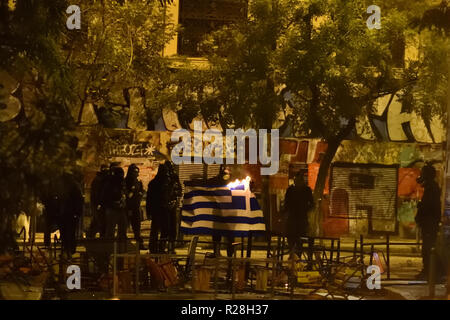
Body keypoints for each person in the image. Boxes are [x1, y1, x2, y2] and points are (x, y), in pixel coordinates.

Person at [415, 164, 442, 280]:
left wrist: (420, 207)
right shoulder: (431, 188)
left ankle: (428, 272)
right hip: (429, 223)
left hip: (429, 224)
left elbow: (429, 206)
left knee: (428, 249)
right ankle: (428, 271)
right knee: (427, 248)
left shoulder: (431, 188)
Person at [283, 172, 314, 253]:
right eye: (296, 180)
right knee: (292, 238)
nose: (297, 182)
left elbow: (312, 204)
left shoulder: (306, 190)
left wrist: (305, 210)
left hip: (300, 219)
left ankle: (296, 256)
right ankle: (293, 255)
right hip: (293, 218)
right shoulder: (291, 190)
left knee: (299, 238)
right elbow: (286, 203)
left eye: (299, 180)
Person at [59, 173, 84, 258]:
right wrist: (77, 212)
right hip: (70, 213)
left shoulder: (64, 186)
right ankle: (70, 250)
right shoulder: (74, 186)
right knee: (70, 232)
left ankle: (67, 249)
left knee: (66, 233)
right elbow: (79, 200)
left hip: (65, 213)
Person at [147, 162, 169, 253]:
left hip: (159, 210)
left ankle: (155, 247)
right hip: (161, 209)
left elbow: (149, 199)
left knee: (157, 230)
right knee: (160, 230)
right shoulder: (163, 183)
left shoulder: (154, 183)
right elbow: (150, 198)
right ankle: (159, 248)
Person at [101, 166, 127, 242]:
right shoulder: (110, 184)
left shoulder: (121, 183)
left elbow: (124, 193)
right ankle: (110, 246)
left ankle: (120, 245)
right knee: (111, 229)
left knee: (122, 227)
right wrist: (113, 203)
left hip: (120, 208)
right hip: (112, 209)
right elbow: (105, 198)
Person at [125, 164, 146, 250]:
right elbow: (126, 195)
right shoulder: (126, 182)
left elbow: (141, 192)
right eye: (135, 172)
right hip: (128, 208)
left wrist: (140, 194)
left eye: (137, 172)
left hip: (136, 207)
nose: (136, 174)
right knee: (125, 228)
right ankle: (124, 245)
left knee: (137, 228)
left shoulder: (138, 182)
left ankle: (139, 245)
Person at [164, 161, 182, 253]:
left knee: (172, 228)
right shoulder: (161, 178)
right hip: (164, 207)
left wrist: (174, 200)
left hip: (172, 206)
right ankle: (162, 247)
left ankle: (171, 247)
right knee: (164, 228)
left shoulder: (174, 177)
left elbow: (179, 190)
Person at [87, 164, 109, 239]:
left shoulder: (104, 179)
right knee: (99, 221)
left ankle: (92, 236)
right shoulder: (98, 180)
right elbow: (96, 193)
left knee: (98, 221)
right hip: (98, 204)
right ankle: (93, 236)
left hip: (102, 204)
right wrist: (98, 204)